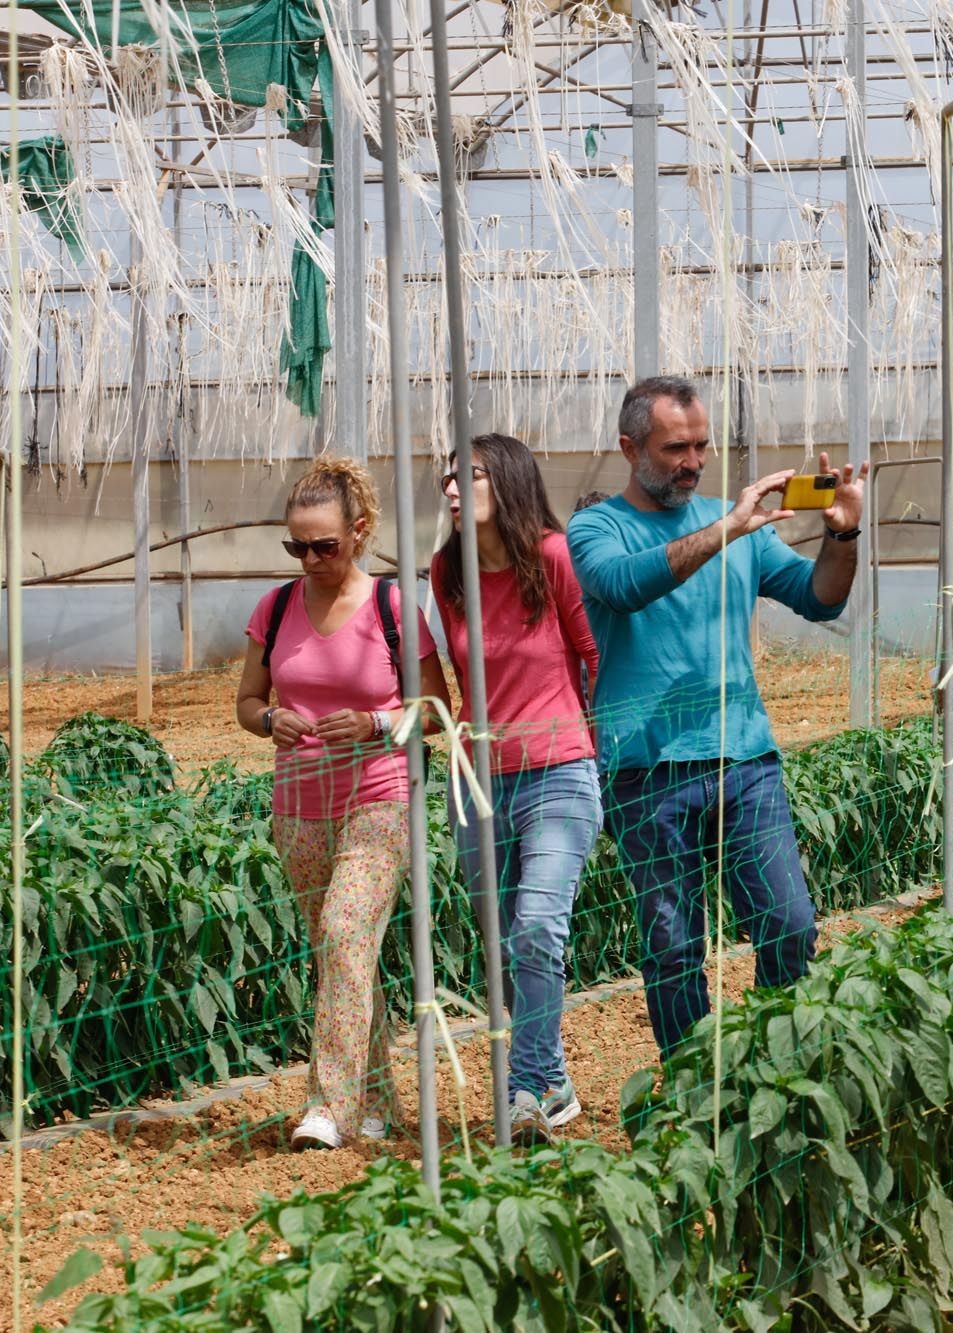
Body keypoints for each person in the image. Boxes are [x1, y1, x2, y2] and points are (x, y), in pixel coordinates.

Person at [566, 376, 869, 1056]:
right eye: (676, 447)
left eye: (701, 445)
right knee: (674, 948)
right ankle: (692, 1080)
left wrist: (842, 534)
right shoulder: (596, 527)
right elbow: (623, 584)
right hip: (648, 771)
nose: (694, 461)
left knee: (789, 923)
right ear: (629, 446)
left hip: (746, 759)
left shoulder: (744, 531)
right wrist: (726, 527)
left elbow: (819, 599)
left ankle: (769, 1061)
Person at [234, 455, 448, 1151]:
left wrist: (376, 722)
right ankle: (377, 1098)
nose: (310, 558)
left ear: (358, 531)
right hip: (298, 803)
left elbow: (439, 711)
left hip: (380, 797)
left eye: (324, 544)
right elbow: (246, 702)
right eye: (297, 545)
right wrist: (271, 721)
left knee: (344, 931)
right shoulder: (275, 607)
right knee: (341, 953)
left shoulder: (392, 607)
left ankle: (328, 1105)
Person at [431, 433, 602, 1141]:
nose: (448, 487)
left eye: (466, 475)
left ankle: (525, 1086)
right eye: (446, 476)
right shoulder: (447, 571)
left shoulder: (553, 558)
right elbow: (462, 667)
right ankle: (553, 1078)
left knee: (537, 923)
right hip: (478, 778)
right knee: (505, 942)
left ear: (506, 480)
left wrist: (589, 745)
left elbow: (592, 654)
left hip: (559, 768)